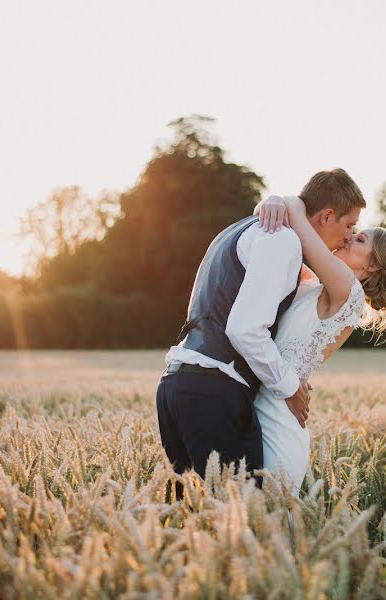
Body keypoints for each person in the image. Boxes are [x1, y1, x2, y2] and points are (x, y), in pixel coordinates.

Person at [155, 168, 366, 496]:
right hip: (213, 394)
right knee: (240, 525)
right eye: (349, 226)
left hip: (176, 385)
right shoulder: (282, 242)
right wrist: (291, 386)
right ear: (327, 215)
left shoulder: (243, 227)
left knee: (195, 526)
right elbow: (244, 330)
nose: (349, 236)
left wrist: (284, 201)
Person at [253, 194, 386, 494]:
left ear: (374, 267)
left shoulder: (347, 289)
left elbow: (300, 222)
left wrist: (283, 201)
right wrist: (272, 204)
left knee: (271, 521)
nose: (349, 238)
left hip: (278, 419)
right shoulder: (320, 285)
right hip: (267, 405)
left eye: (360, 240)